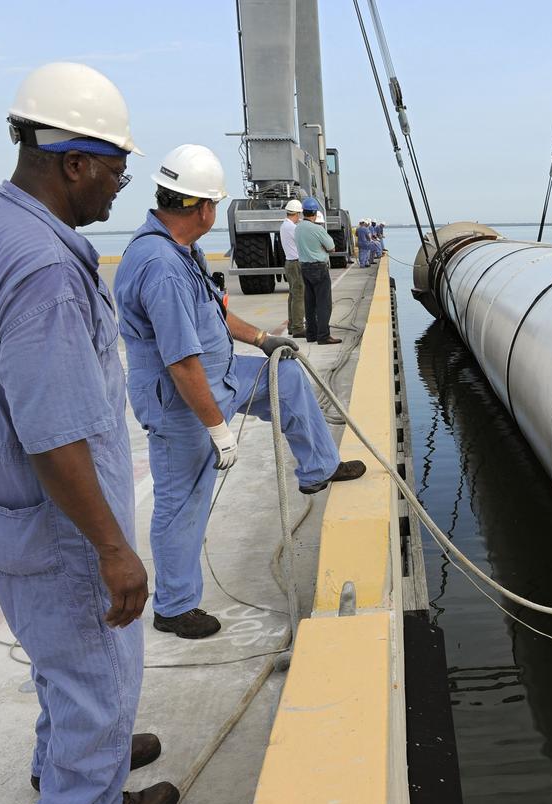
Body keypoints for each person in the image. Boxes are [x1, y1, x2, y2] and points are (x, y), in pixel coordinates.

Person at [0, 61, 177, 804]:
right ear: (72, 161)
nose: (119, 187)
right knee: (96, 647)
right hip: (51, 504)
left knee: (51, 637)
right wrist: (112, 545)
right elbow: (54, 432)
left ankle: (73, 754)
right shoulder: (45, 267)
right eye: (114, 169)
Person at [114, 144, 366, 641]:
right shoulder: (160, 265)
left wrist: (262, 339)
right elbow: (181, 363)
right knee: (183, 500)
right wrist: (218, 430)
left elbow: (214, 313)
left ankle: (318, 468)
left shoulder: (179, 250)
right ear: (204, 207)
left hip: (224, 377)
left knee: (285, 376)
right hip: (185, 402)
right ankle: (174, 605)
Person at [296, 199, 341, 342]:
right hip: (319, 268)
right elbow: (331, 247)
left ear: (303, 212)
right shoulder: (317, 229)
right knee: (323, 303)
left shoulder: (298, 228)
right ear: (315, 213)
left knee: (310, 303)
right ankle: (323, 336)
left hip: (304, 267)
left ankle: (311, 334)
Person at [279, 199, 305, 339]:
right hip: (296, 263)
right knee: (299, 296)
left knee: (293, 295)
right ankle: (298, 327)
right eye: (299, 215)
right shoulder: (293, 228)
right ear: (296, 213)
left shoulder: (284, 226)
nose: (300, 217)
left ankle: (292, 325)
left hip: (289, 263)